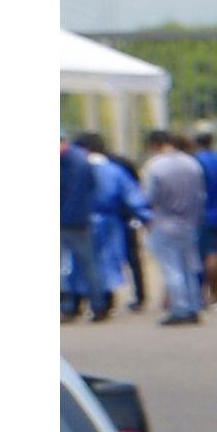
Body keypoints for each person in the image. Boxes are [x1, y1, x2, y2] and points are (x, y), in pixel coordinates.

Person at [64, 135, 142, 324]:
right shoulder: (114, 169)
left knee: (74, 265)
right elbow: (131, 195)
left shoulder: (71, 165)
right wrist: (141, 216)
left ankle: (74, 304)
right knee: (104, 262)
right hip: (109, 221)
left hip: (77, 220)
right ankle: (104, 303)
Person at [141, 133, 208, 325]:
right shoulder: (192, 164)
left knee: (172, 268)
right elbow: (200, 196)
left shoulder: (155, 167)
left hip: (164, 221)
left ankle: (180, 308)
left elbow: (149, 197)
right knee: (190, 266)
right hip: (189, 222)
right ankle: (194, 306)